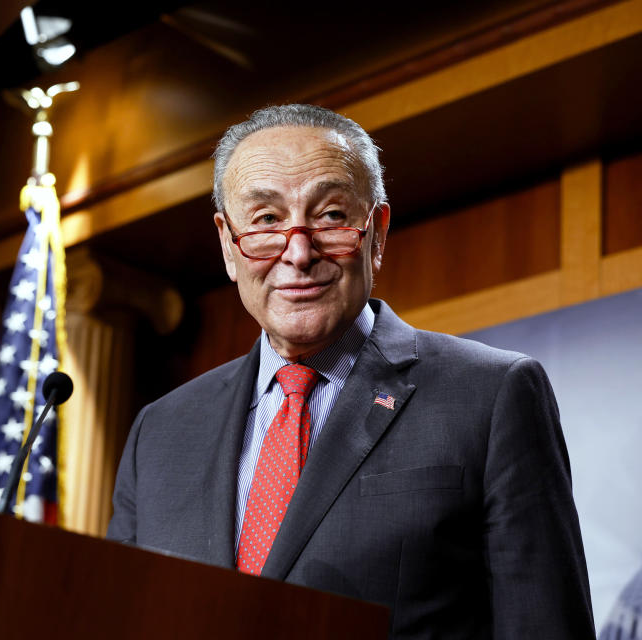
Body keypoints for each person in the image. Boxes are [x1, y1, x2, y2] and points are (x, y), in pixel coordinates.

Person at [107, 104, 595, 638]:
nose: (298, 252)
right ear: (229, 244)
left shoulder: (491, 395)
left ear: (377, 232)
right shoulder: (159, 433)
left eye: (332, 216)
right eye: (267, 220)